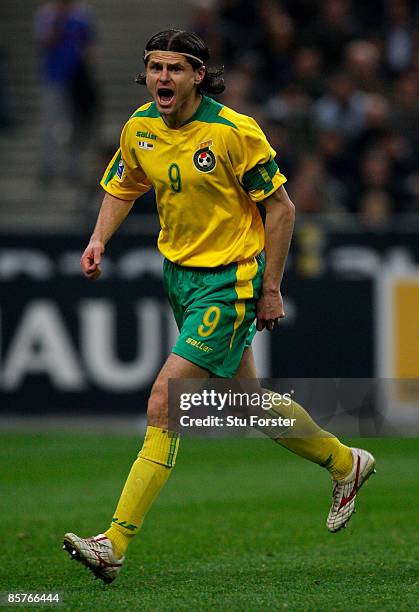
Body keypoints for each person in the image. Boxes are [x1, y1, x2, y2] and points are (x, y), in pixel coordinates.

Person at [63, 29, 375, 584]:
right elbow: (123, 184)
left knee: (165, 399)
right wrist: (98, 239)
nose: (163, 77)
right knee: (248, 403)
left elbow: (280, 209)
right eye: (155, 66)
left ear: (198, 75)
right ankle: (345, 463)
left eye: (176, 68)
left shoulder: (233, 132)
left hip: (230, 280)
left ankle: (113, 542)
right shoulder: (140, 127)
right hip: (180, 277)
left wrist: (271, 288)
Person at [34, 0, 97, 183]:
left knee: (76, 124)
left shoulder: (83, 14)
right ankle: (48, 166)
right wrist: (58, 22)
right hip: (54, 78)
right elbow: (43, 41)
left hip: (76, 80)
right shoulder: (47, 14)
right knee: (50, 123)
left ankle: (74, 166)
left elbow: (90, 44)